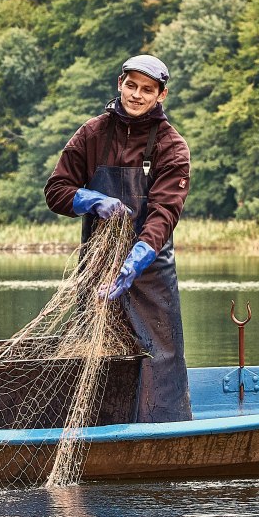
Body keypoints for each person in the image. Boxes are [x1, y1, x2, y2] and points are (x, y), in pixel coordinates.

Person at [44, 54, 192, 423]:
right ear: (119, 84)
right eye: (131, 85)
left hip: (149, 270)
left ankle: (163, 427)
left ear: (161, 95)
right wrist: (90, 199)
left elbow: (164, 214)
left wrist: (136, 258)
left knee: (158, 356)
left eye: (147, 89)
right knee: (95, 352)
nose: (137, 95)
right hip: (98, 270)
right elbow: (56, 190)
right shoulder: (92, 133)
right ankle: (98, 428)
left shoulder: (172, 147)